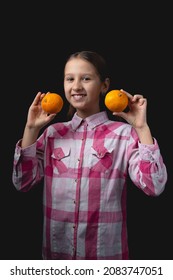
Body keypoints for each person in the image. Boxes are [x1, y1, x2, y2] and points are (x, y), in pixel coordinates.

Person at [12, 50, 167, 260]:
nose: (76, 86)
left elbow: (153, 186)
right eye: (70, 79)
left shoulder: (123, 135)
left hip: (106, 261)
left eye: (86, 78)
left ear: (104, 85)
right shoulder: (52, 133)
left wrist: (142, 127)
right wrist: (31, 128)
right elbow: (23, 182)